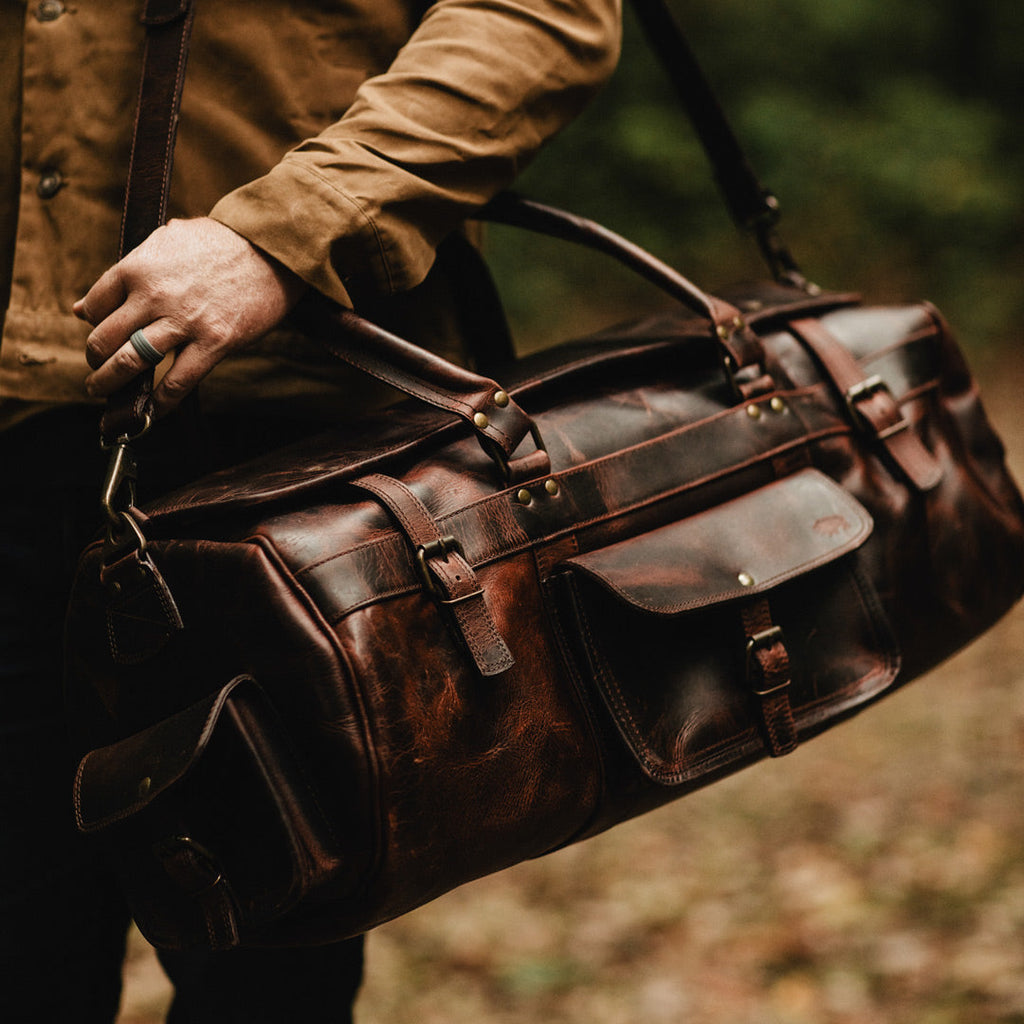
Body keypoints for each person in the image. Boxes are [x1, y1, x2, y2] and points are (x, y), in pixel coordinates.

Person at [0, 1, 621, 1020]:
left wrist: (281, 234)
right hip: (13, 437)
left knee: (264, 978)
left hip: (275, 458)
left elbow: (543, 15)